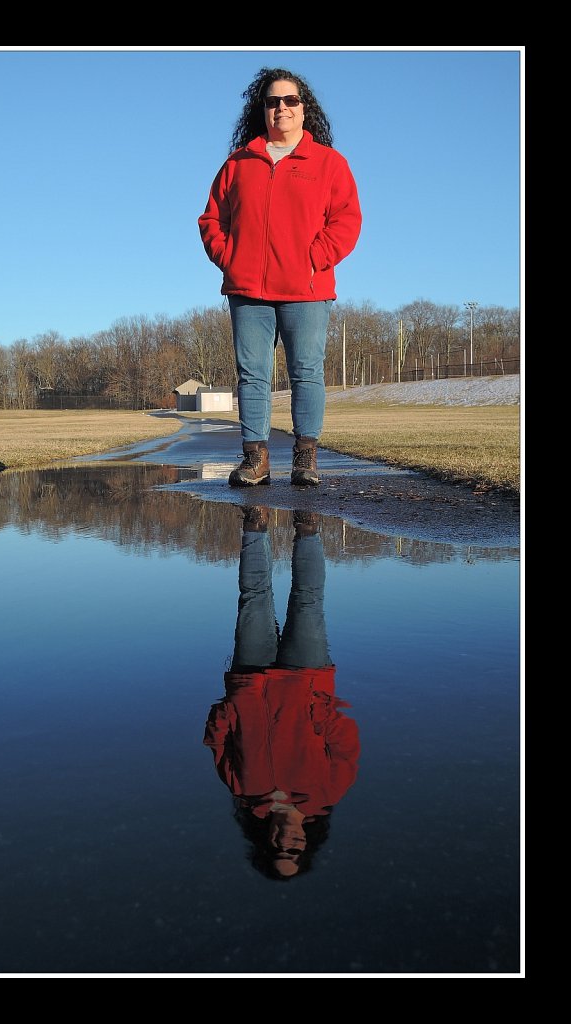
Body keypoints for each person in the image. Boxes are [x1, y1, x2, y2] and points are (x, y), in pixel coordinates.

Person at [198, 67, 362, 487]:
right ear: (263, 109)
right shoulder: (238, 163)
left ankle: (305, 459)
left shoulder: (328, 163)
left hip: (306, 290)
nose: (282, 108)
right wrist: (229, 257)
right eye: (273, 101)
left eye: (290, 101)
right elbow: (212, 219)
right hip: (248, 290)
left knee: (306, 371)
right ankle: (255, 459)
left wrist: (316, 258)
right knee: (252, 374)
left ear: (305, 109)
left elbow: (346, 221)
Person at [203, 507, 360, 879]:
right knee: (308, 599)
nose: (285, 842)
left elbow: (216, 742)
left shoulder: (243, 791)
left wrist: (232, 708)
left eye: (277, 849)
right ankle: (307, 527)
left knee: (253, 596)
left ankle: (255, 523)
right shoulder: (327, 793)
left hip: (251, 680)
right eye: (294, 850)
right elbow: (346, 745)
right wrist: (318, 711)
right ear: (307, 843)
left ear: (265, 842)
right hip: (306, 679)